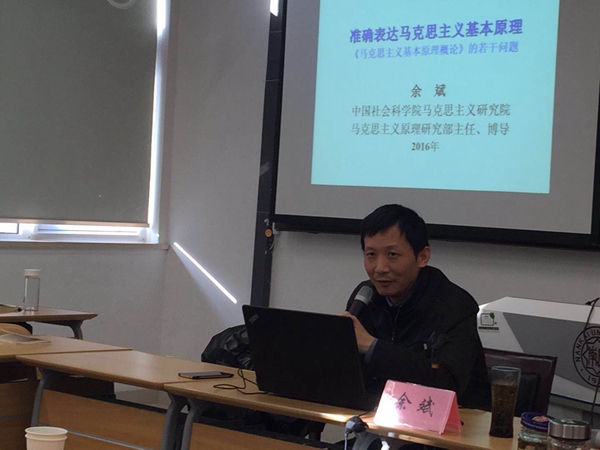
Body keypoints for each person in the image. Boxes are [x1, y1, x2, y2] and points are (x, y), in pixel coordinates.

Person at [344, 204, 490, 410]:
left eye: (392, 255)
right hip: (382, 417)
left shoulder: (455, 306)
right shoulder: (366, 296)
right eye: (371, 255)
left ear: (422, 257)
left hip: (452, 423)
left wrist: (372, 347)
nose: (380, 268)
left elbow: (447, 383)